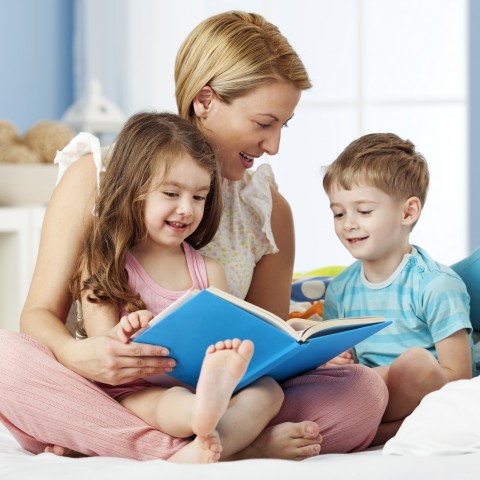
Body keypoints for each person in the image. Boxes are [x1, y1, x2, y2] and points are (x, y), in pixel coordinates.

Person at [0, 11, 388, 461]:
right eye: (264, 123)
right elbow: (39, 314)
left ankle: (166, 443)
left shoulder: (267, 210)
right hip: (102, 388)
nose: (275, 145)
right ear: (205, 99)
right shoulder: (98, 177)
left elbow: (265, 350)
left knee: (363, 393)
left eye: (285, 125)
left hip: (219, 396)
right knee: (5, 359)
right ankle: (205, 449)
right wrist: (77, 354)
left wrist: (307, 347)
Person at [71, 111, 284, 463]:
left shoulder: (208, 271)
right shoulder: (104, 261)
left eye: (199, 197)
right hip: (137, 389)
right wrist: (126, 331)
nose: (186, 209)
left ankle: (211, 445)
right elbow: (102, 345)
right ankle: (203, 418)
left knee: (269, 392)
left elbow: (227, 335)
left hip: (199, 381)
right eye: (171, 193)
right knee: (166, 403)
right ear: (133, 190)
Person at [322, 132, 474, 445]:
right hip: (366, 393)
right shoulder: (340, 289)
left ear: (408, 212)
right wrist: (335, 359)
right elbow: (338, 360)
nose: (348, 223)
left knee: (414, 362)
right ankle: (370, 428)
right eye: (338, 213)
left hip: (422, 396)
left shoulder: (435, 284)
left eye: (363, 211)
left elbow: (459, 378)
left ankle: (381, 431)